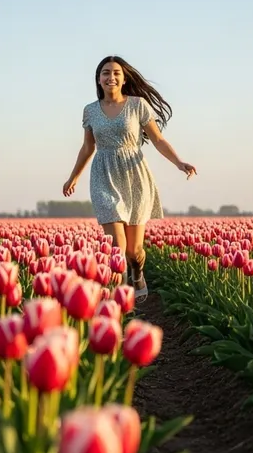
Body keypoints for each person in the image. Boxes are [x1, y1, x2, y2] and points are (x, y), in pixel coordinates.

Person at [63, 56, 197, 302]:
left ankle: (137, 272)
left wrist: (179, 163)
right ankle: (119, 298)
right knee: (117, 247)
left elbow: (157, 140)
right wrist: (73, 177)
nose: (110, 77)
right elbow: (87, 148)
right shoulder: (90, 110)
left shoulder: (138, 105)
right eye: (105, 73)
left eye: (116, 73)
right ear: (98, 78)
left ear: (124, 79)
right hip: (103, 174)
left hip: (134, 175)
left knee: (134, 252)